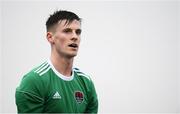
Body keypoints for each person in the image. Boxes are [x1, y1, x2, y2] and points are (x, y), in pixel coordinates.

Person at [15, 10, 98, 113]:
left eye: (78, 32)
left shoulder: (86, 82)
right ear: (50, 37)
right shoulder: (34, 81)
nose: (75, 37)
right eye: (67, 31)